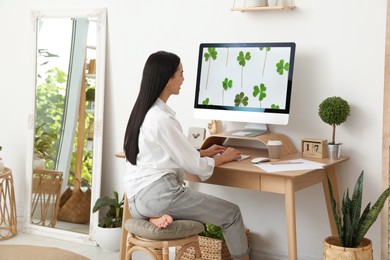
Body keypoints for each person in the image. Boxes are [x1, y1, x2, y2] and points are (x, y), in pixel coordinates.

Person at [123, 51, 250, 260]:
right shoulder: (162, 119)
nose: (184, 79)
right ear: (167, 79)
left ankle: (157, 216)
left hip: (137, 201)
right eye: (180, 73)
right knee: (232, 214)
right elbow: (196, 167)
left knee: (172, 201)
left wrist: (201, 152)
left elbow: (166, 152)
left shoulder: (143, 112)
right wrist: (221, 158)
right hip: (159, 195)